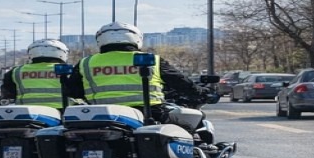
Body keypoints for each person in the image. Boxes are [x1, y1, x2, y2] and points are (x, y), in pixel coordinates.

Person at [64, 22, 208, 121]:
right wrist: (201, 93)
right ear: (137, 39)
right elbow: (180, 82)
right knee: (183, 129)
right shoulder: (152, 60)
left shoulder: (86, 62)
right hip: (149, 113)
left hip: (101, 114)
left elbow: (73, 91)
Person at [1, 38, 70, 110]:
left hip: (27, 111)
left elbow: (8, 93)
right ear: (62, 53)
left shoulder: (16, 71)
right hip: (63, 110)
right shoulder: (67, 69)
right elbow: (77, 91)